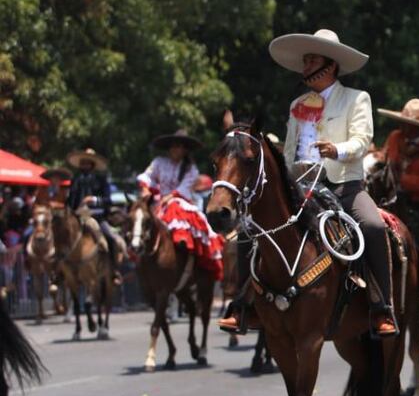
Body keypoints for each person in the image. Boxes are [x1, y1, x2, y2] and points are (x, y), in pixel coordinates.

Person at [238, 28, 396, 337]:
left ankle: (381, 307)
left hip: (344, 187)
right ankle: (244, 304)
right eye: (305, 60)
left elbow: (363, 141)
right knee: (252, 226)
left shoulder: (356, 98)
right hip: (302, 190)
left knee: (374, 227)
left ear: (331, 65)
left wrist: (337, 149)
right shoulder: (297, 105)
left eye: (312, 60)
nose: (305, 66)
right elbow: (289, 150)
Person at [138, 130, 224, 282]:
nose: (176, 149)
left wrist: (170, 197)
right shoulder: (158, 162)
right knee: (138, 217)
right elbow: (147, 177)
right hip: (159, 200)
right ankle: (137, 247)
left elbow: (184, 189)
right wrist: (145, 188)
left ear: (185, 150)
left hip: (180, 201)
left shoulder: (191, 169)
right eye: (173, 146)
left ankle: (184, 248)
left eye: (180, 147)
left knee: (175, 208)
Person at [376, 98, 419, 263]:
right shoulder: (394, 137)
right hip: (391, 201)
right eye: (402, 122)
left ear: (418, 126)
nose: (403, 126)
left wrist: (401, 180)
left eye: (407, 123)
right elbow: (384, 159)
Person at [65, 148, 123, 284]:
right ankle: (59, 273)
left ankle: (114, 271)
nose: (84, 165)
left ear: (92, 165)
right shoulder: (75, 180)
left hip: (96, 216)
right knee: (60, 237)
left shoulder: (101, 180)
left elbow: (108, 200)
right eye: (82, 163)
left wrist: (94, 200)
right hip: (76, 217)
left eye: (87, 163)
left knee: (110, 239)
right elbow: (70, 200)